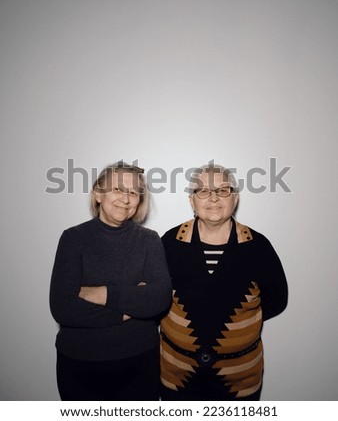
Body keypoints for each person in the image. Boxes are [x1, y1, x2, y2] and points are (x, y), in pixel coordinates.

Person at [160, 164, 288, 401]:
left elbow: (277, 300)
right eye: (203, 191)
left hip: (239, 381)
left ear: (235, 198)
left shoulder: (258, 247)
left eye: (223, 190)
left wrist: (236, 330)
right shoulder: (169, 243)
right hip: (177, 376)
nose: (214, 198)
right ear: (192, 201)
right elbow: (154, 297)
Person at [50, 161, 171, 401]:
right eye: (117, 189)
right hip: (80, 367)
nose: (126, 199)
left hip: (139, 363)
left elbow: (158, 299)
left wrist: (101, 294)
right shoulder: (73, 238)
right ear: (98, 194)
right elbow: (63, 308)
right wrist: (129, 309)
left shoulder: (150, 240)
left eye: (134, 192)